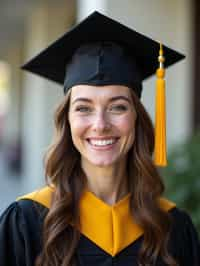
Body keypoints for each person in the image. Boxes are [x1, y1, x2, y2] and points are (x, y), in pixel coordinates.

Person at [0, 11, 199, 266]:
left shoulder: (173, 227)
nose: (101, 125)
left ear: (137, 118)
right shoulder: (25, 223)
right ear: (67, 120)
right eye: (83, 108)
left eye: (117, 107)